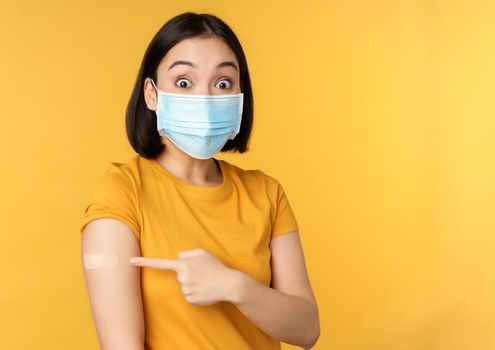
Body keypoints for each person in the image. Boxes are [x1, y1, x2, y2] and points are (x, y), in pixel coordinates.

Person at [79, 12, 320, 350]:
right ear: (152, 94)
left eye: (223, 83)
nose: (205, 99)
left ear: (240, 96)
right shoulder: (123, 192)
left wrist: (235, 287)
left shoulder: (266, 193)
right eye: (183, 82)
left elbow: (307, 328)